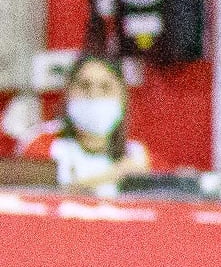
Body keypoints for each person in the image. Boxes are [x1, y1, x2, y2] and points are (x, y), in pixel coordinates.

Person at [11, 54, 151, 192]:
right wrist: (113, 174)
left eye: (105, 87)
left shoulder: (135, 153)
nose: (94, 95)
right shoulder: (41, 143)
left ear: (123, 98)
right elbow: (34, 199)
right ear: (68, 93)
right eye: (84, 86)